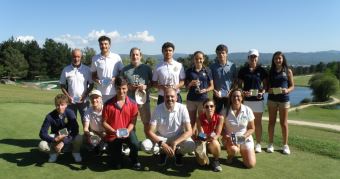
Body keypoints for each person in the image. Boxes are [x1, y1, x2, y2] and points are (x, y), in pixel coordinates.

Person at [141, 88, 195, 167]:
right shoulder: (158, 109)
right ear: (164, 98)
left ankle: (178, 153)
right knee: (145, 145)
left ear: (176, 98)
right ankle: (163, 152)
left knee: (191, 145)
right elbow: (150, 131)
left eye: (172, 96)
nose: (170, 99)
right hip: (162, 137)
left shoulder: (183, 108)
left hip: (178, 137)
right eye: (167, 96)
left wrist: (175, 142)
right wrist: (162, 144)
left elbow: (189, 131)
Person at [102, 77, 141, 169]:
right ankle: (118, 156)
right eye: (119, 88)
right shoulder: (108, 104)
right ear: (115, 88)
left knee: (135, 144)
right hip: (113, 134)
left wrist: (127, 131)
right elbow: (104, 123)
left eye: (124, 88)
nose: (121, 91)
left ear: (127, 88)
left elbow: (133, 122)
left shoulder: (133, 103)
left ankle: (133, 159)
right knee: (117, 166)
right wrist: (114, 131)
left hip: (128, 131)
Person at [237, 49, 268, 153]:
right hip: (246, 101)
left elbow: (266, 86)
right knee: (244, 123)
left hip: (258, 100)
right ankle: (242, 142)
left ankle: (258, 144)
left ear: (257, 58)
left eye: (255, 57)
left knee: (257, 123)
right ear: (248, 58)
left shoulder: (262, 70)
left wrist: (262, 92)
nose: (253, 59)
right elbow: (239, 85)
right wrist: (242, 92)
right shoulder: (243, 70)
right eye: (251, 57)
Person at [38, 94, 83, 163]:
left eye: (62, 105)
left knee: (79, 138)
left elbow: (75, 130)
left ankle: (75, 152)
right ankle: (54, 153)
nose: (59, 107)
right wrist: (55, 140)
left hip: (68, 137)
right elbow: (42, 133)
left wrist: (63, 142)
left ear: (66, 105)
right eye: (57, 105)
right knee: (42, 145)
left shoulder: (70, 113)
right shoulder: (49, 116)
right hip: (56, 136)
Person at [267, 51, 295, 155]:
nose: (278, 60)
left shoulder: (288, 71)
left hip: (284, 100)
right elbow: (267, 87)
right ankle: (270, 144)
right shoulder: (270, 71)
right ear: (273, 60)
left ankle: (285, 145)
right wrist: (268, 90)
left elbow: (292, 86)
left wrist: (287, 90)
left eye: (279, 58)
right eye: (276, 58)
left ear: (283, 59)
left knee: (283, 123)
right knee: (271, 122)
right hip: (272, 99)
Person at [120, 47, 152, 135]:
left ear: (140, 56)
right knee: (129, 122)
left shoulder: (147, 68)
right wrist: (128, 87)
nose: (135, 56)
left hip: (143, 100)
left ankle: (149, 142)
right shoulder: (125, 69)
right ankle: (132, 143)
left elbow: (153, 83)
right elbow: (121, 84)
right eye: (133, 55)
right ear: (130, 56)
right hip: (129, 101)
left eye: (137, 54)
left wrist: (145, 86)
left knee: (146, 122)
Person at [223, 88, 256, 168]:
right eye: (233, 96)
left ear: (242, 98)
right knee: (234, 150)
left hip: (244, 138)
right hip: (230, 139)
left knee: (250, 164)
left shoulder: (248, 110)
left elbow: (252, 128)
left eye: (238, 96)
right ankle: (231, 155)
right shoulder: (224, 111)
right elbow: (221, 129)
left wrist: (241, 138)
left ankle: (243, 150)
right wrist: (227, 137)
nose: (236, 98)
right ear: (230, 98)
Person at [60, 48, 93, 125]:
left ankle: (87, 136)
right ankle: (73, 136)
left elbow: (91, 85)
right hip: (71, 102)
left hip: (84, 101)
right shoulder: (66, 69)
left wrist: (84, 96)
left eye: (78, 57)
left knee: (86, 121)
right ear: (71, 57)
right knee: (72, 122)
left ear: (81, 57)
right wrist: (68, 97)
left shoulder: (87, 69)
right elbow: (62, 85)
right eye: (74, 56)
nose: (76, 59)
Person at [185, 51, 214, 134]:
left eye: (200, 58)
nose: (198, 60)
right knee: (191, 121)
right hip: (191, 99)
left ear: (203, 59)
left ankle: (202, 139)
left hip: (203, 100)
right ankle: (191, 139)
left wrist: (206, 90)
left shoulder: (207, 70)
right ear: (193, 59)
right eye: (196, 58)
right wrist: (190, 84)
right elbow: (186, 87)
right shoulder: (189, 71)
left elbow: (212, 86)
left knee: (202, 121)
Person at [91, 35, 124, 103]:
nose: (103, 46)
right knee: (102, 113)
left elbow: (122, 73)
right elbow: (93, 75)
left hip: (115, 91)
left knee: (114, 112)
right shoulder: (95, 58)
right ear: (99, 45)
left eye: (105, 44)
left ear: (109, 45)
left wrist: (114, 78)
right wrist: (98, 81)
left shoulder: (116, 57)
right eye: (101, 44)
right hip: (100, 93)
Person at [195, 99, 223, 172]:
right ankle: (202, 153)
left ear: (215, 107)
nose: (209, 108)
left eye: (211, 106)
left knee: (215, 143)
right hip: (202, 141)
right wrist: (206, 139)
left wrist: (211, 138)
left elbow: (218, 134)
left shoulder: (220, 118)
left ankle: (216, 161)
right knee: (202, 163)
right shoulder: (199, 118)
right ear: (204, 108)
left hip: (212, 141)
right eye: (206, 107)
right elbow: (201, 134)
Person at [209, 44, 237, 115]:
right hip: (217, 95)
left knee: (229, 115)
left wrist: (232, 91)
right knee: (217, 115)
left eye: (223, 53)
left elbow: (235, 81)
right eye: (219, 53)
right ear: (216, 54)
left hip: (229, 95)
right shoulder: (212, 67)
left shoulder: (232, 66)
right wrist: (214, 91)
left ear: (226, 54)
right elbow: (210, 82)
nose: (221, 55)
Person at [83, 89, 106, 154]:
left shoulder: (106, 109)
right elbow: (86, 128)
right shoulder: (88, 111)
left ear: (101, 99)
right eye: (92, 98)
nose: (94, 100)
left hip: (105, 133)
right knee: (83, 139)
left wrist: (105, 134)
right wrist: (89, 135)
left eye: (96, 98)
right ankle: (95, 146)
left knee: (108, 147)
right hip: (94, 133)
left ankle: (103, 145)